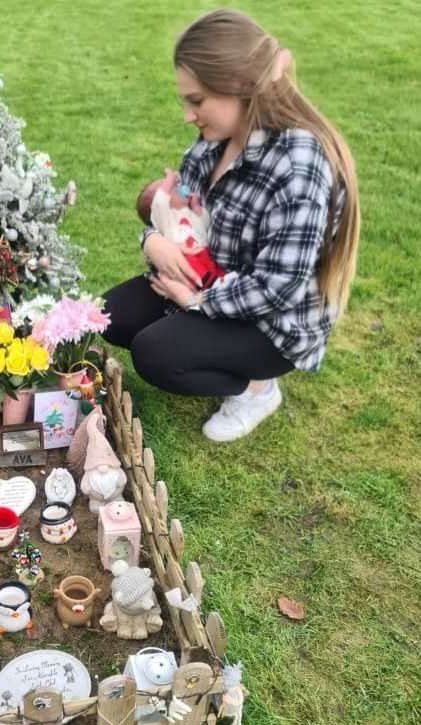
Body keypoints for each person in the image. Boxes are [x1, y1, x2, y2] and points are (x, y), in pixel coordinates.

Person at [101, 9, 360, 442]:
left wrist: (194, 300)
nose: (188, 115)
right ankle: (200, 339)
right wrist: (153, 242)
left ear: (240, 87)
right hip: (209, 282)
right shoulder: (216, 140)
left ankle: (257, 388)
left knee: (155, 355)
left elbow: (276, 288)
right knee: (107, 317)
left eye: (196, 100)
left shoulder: (298, 166)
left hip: (271, 324)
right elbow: (180, 212)